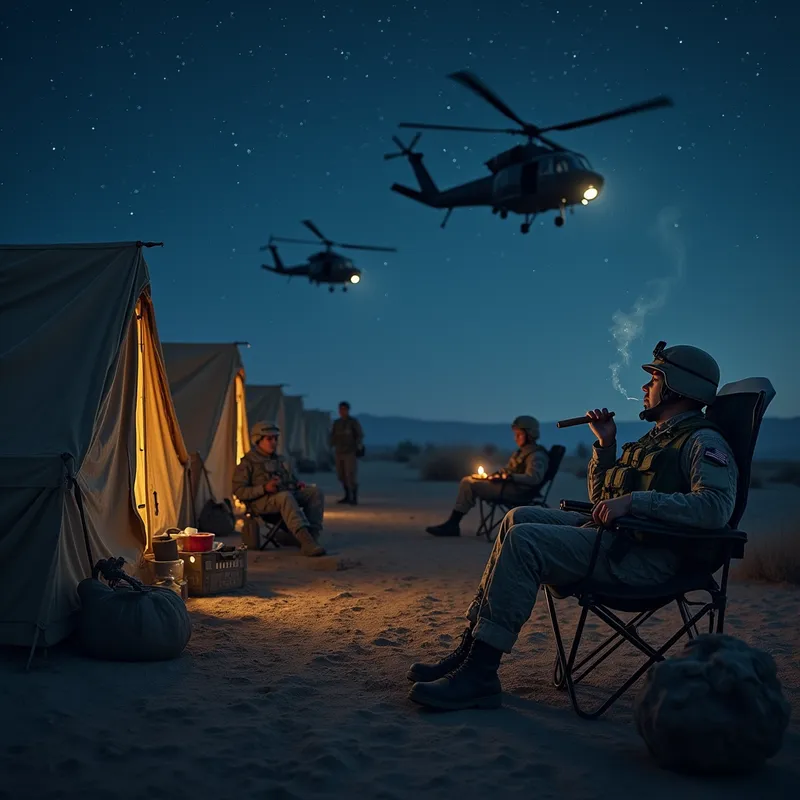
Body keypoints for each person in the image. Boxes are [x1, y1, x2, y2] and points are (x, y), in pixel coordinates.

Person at [406, 341, 739, 711]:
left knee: (525, 540)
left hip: (648, 559)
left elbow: (715, 508)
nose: (645, 388)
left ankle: (481, 673)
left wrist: (635, 501)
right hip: (620, 540)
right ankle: (472, 649)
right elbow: (601, 500)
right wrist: (606, 444)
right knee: (518, 517)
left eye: (654, 378)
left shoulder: (702, 441)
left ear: (679, 387)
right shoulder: (658, 438)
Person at [425, 415, 549, 538]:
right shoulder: (521, 452)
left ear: (530, 434)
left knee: (468, 482)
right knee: (472, 479)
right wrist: (499, 475)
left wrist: (510, 477)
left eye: (519, 434)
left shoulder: (536, 455)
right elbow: (510, 470)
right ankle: (453, 523)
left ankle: (453, 524)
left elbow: (533, 478)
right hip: (509, 487)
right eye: (515, 434)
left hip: (517, 491)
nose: (516, 438)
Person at [232, 421, 326, 557]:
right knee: (285, 497)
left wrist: (297, 484)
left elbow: (290, 480)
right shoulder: (248, 463)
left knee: (315, 492)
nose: (273, 442)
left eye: (275, 439)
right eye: (269, 439)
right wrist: (264, 488)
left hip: (283, 496)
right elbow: (239, 490)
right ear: (258, 440)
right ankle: (307, 543)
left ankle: (311, 537)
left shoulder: (279, 460)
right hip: (261, 502)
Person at [329, 401, 364, 505]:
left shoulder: (353, 422)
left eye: (344, 409)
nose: (342, 412)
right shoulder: (337, 423)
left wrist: (358, 446)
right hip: (339, 452)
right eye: (340, 409)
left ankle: (354, 497)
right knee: (341, 475)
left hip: (350, 452)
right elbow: (333, 436)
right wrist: (331, 446)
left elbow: (359, 435)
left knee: (350, 475)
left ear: (348, 410)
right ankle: (347, 495)